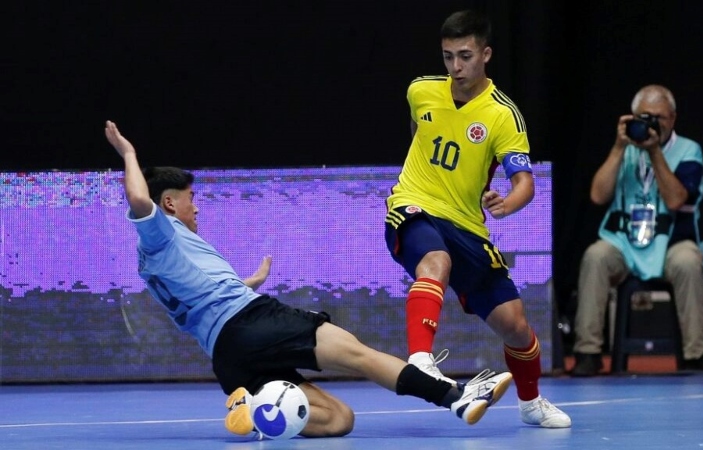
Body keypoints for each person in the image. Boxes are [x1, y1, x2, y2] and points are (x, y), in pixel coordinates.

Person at [104, 120, 513, 438]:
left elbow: (204, 302)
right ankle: (456, 398)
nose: (197, 208)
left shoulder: (159, 263)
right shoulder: (160, 232)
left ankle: (259, 409)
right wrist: (129, 152)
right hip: (254, 323)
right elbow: (140, 200)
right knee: (360, 355)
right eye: (192, 199)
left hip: (228, 358)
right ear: (170, 202)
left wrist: (250, 280)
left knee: (339, 420)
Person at [384, 10, 571, 428]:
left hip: (468, 225)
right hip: (413, 205)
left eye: (465, 56)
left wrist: (508, 202)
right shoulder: (421, 91)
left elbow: (525, 181)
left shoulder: (503, 114)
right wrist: (416, 181)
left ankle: (531, 403)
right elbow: (418, 133)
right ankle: (420, 360)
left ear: (485, 54)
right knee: (436, 262)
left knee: (517, 326)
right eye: (448, 57)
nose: (455, 67)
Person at [571, 84, 703, 376]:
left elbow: (675, 199)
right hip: (624, 242)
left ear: (673, 118)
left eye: (660, 117)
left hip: (671, 241)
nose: (652, 123)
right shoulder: (624, 150)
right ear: (632, 117)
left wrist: (655, 152)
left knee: (688, 261)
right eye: (645, 116)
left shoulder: (688, 150)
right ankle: (588, 351)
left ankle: (696, 353)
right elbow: (597, 195)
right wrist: (619, 147)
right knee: (595, 256)